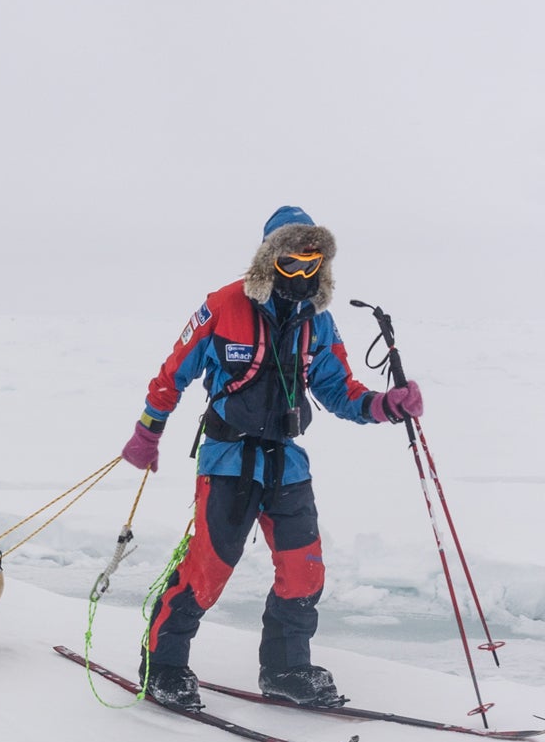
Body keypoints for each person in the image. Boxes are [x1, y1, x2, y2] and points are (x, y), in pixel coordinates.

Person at [120, 205, 423, 710]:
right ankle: (164, 664)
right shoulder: (222, 306)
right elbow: (173, 373)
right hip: (227, 459)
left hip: (286, 461)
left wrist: (386, 406)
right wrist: (147, 432)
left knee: (304, 571)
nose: (302, 275)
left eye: (312, 264)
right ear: (269, 259)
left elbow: (340, 391)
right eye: (291, 263)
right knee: (209, 569)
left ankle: (286, 668)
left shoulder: (319, 324)